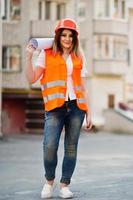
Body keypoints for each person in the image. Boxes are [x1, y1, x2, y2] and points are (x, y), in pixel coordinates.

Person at [25, 18, 92, 199]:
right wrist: (28, 56)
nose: (67, 39)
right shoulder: (46, 54)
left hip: (77, 107)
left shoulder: (79, 56)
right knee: (49, 146)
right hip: (55, 107)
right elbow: (32, 78)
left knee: (71, 148)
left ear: (75, 38)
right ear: (58, 36)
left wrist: (89, 112)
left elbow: (83, 87)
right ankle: (49, 182)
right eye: (64, 35)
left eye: (71, 35)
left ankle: (64, 185)